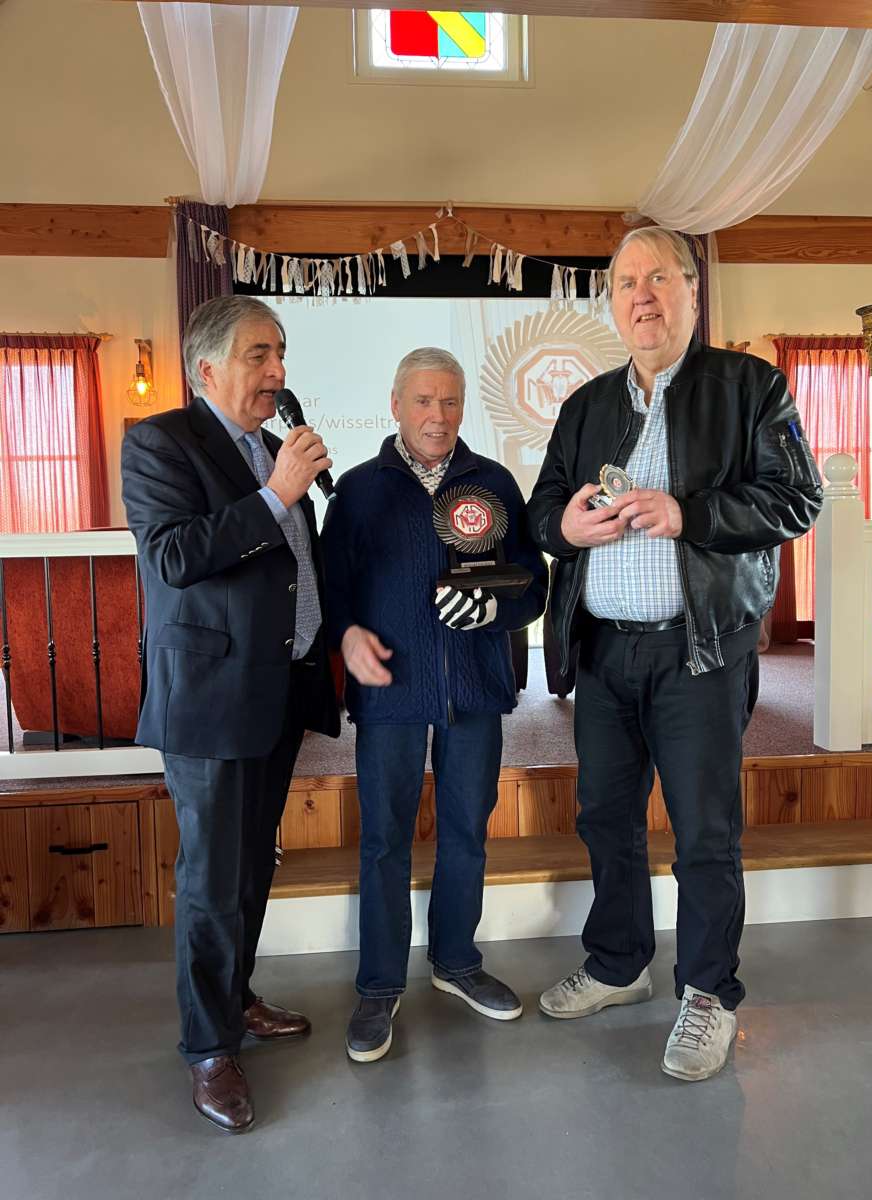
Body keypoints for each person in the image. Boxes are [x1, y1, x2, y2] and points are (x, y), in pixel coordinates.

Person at [527, 227, 822, 1082]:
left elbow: (796, 499)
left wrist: (689, 514)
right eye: (626, 283)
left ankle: (708, 993)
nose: (642, 296)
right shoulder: (587, 405)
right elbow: (545, 507)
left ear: (693, 290)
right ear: (612, 305)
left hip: (700, 653)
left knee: (704, 831)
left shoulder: (751, 387)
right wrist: (564, 527)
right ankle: (620, 964)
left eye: (659, 277)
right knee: (605, 819)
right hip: (603, 654)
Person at [121, 295, 339, 1132]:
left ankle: (236, 998)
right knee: (213, 880)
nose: (277, 371)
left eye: (280, 353)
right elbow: (174, 556)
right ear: (207, 368)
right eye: (259, 355)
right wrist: (278, 495)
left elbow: (292, 568)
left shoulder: (273, 449)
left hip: (278, 688)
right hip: (210, 697)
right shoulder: (160, 442)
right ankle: (209, 1048)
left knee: (252, 865)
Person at [322, 347, 548, 1063]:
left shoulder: (495, 483)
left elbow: (533, 587)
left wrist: (498, 612)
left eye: (450, 401)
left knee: (466, 832)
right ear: (396, 405)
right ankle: (379, 984)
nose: (437, 416)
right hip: (389, 690)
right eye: (423, 401)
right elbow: (331, 589)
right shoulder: (358, 490)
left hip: (475, 687)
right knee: (384, 839)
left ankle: (456, 962)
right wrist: (346, 633)